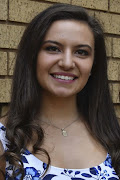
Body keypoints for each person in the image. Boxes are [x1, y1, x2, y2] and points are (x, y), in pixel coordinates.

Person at [0, 3, 120, 180]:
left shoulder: (113, 133)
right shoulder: (5, 140)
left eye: (81, 52)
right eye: (53, 48)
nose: (67, 62)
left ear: (94, 64)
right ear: (32, 57)